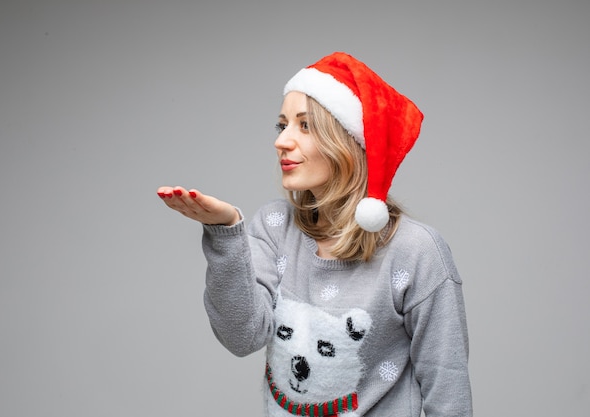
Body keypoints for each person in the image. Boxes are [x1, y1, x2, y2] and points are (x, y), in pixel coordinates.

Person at [157, 52, 472, 417]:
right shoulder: (274, 228)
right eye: (282, 125)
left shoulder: (416, 251)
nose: (282, 141)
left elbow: (447, 390)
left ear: (348, 143)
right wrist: (226, 234)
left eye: (305, 126)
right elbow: (241, 337)